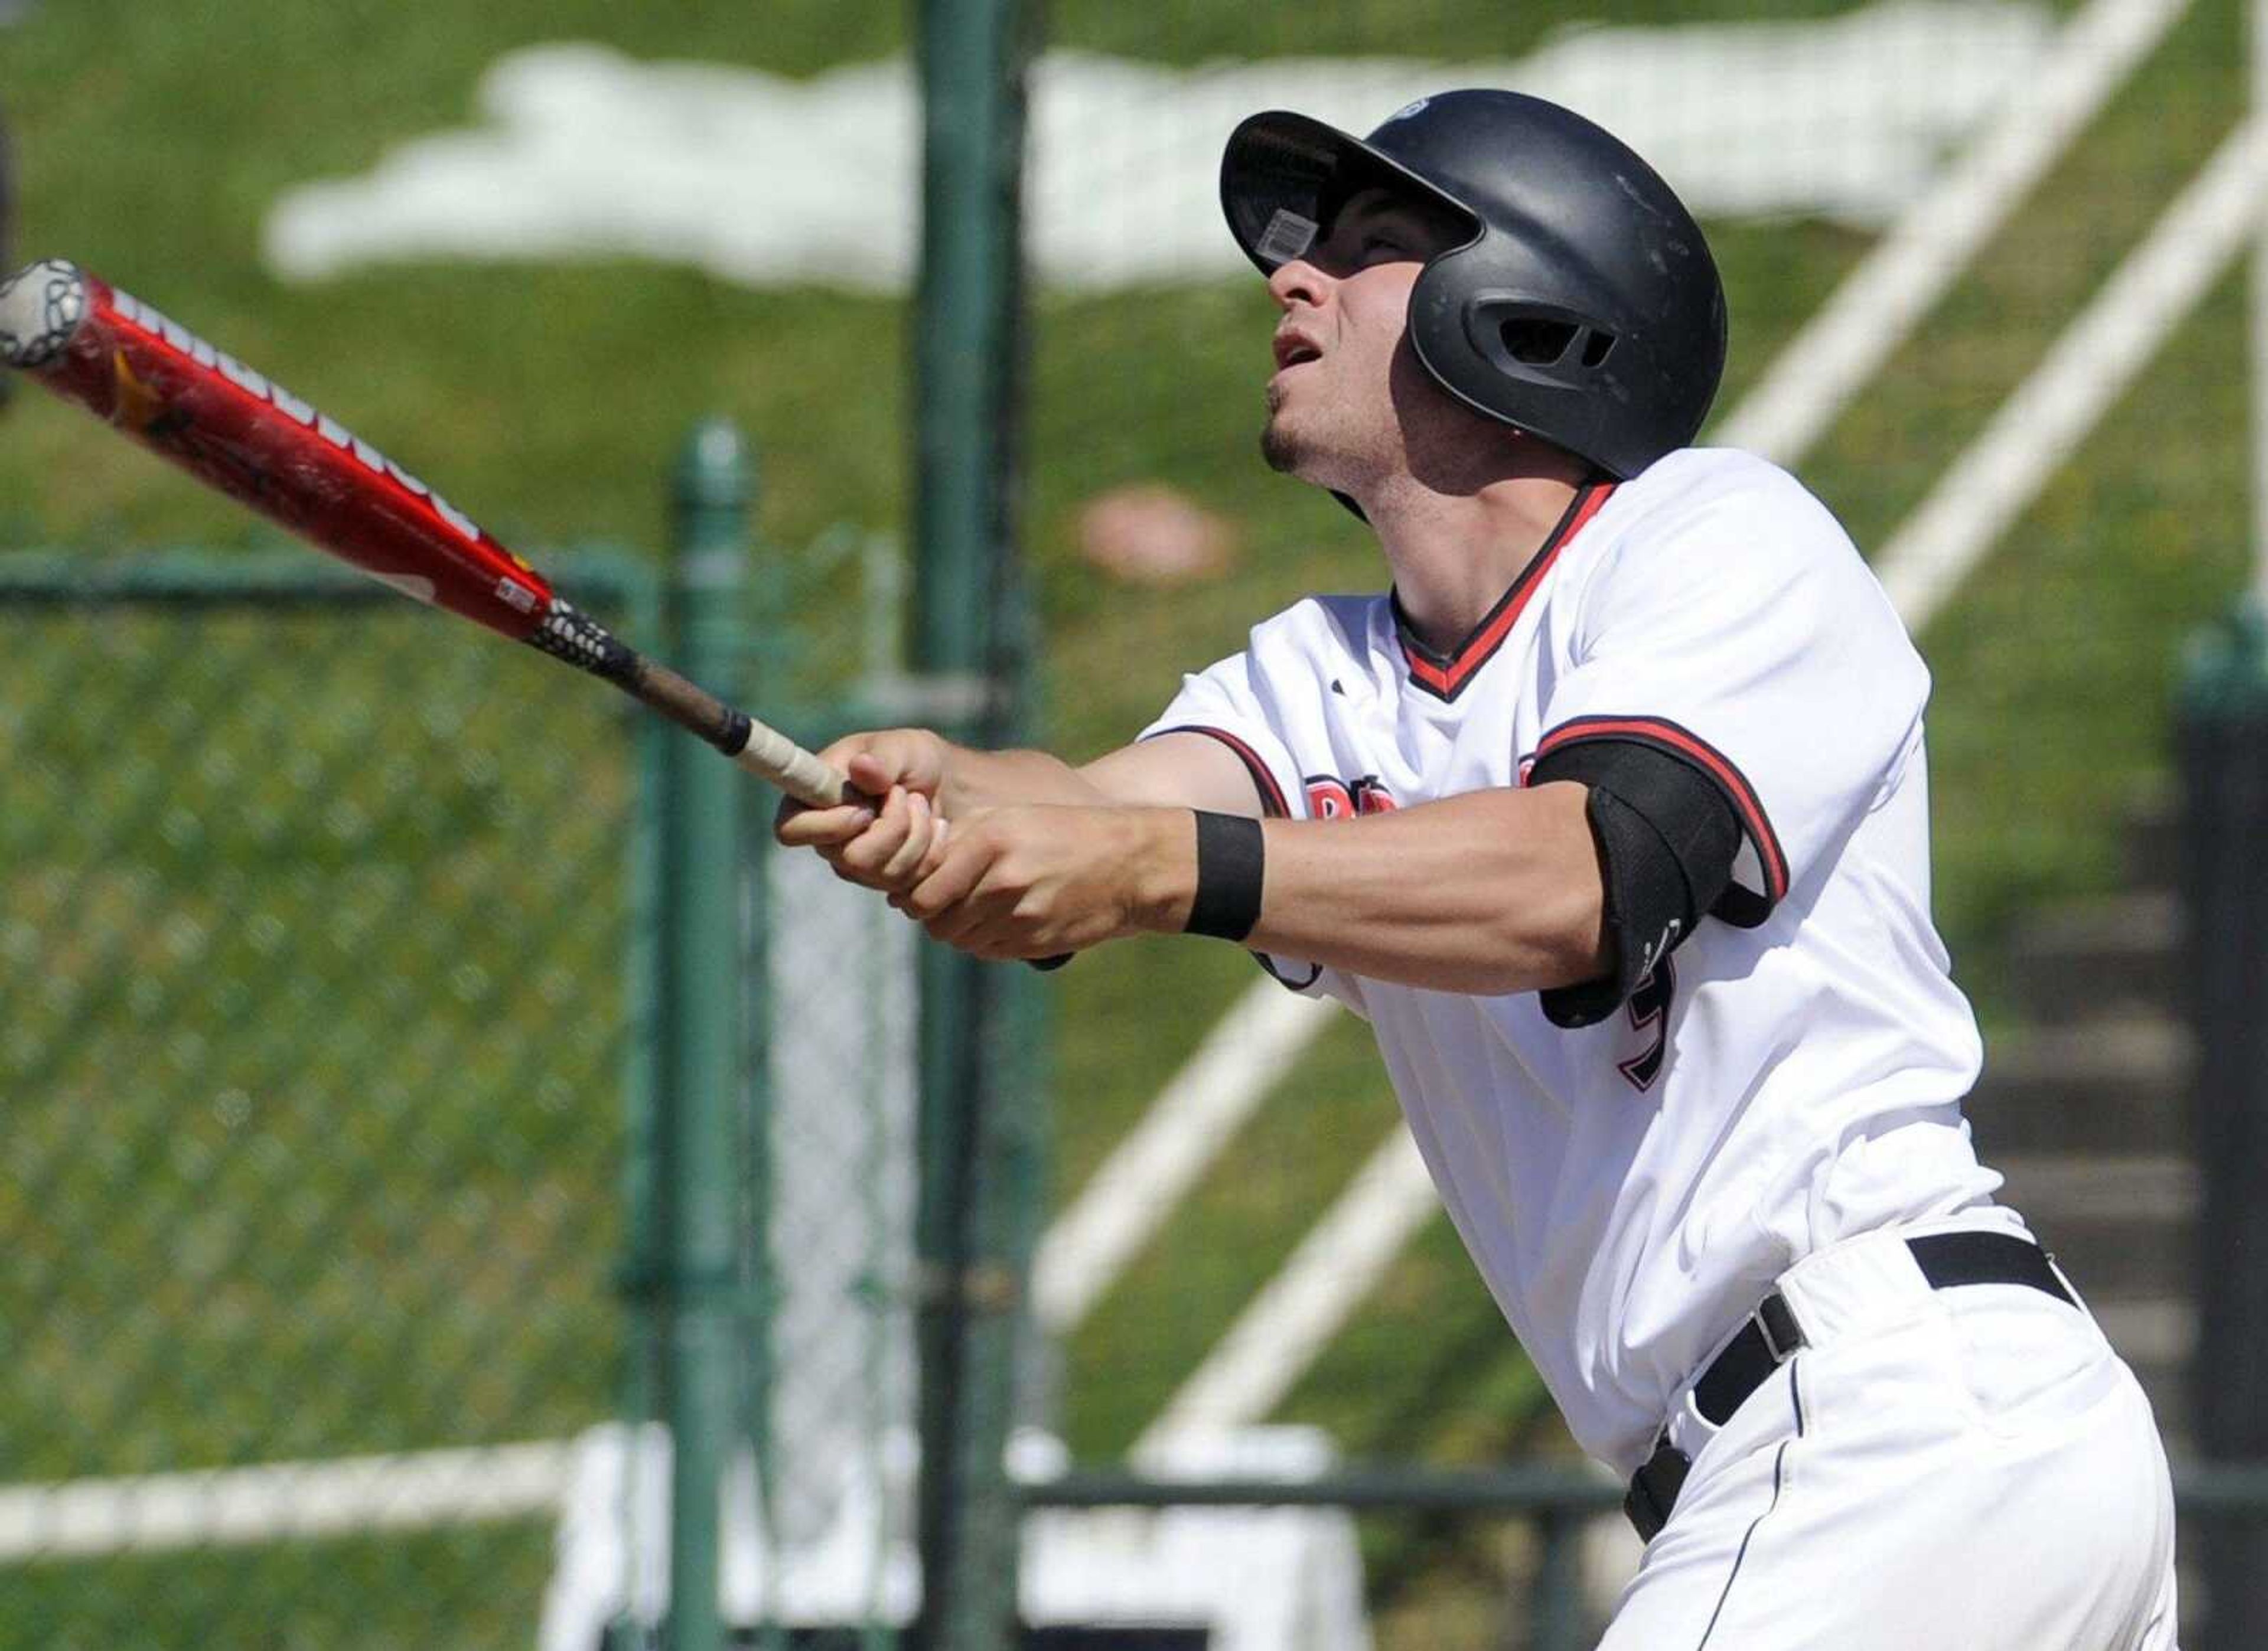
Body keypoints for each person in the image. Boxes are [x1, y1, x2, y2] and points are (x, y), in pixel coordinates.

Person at [777, 90, 2179, 1647]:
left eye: (1368, 247)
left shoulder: (1715, 535)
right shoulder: (1319, 673)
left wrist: (1140, 859)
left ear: (1534, 310)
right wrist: (957, 803)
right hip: (1835, 1466)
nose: (1289, 280)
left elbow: (1578, 876)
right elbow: (1102, 810)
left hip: (1897, 1419)